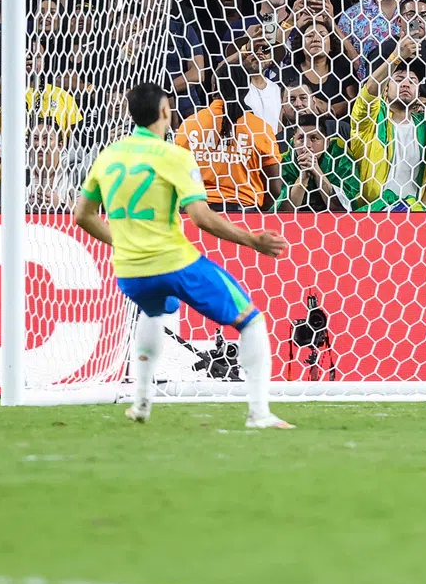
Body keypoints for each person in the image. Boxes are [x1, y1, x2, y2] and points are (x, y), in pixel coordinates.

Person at [74, 81, 293, 429]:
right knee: (251, 321)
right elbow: (202, 218)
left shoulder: (109, 155)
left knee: (152, 310)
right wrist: (254, 241)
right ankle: (259, 413)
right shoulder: (173, 155)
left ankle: (141, 402)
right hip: (173, 263)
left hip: (130, 272)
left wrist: (126, 242)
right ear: (164, 111)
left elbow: (82, 215)